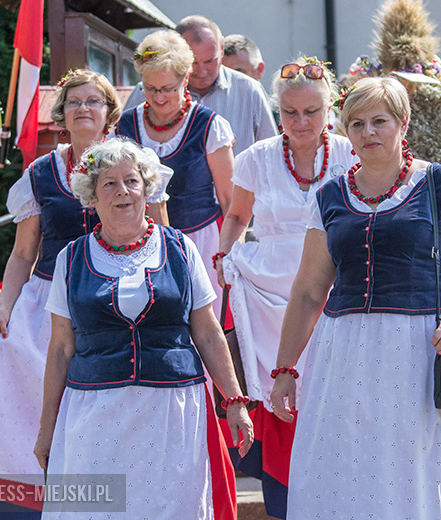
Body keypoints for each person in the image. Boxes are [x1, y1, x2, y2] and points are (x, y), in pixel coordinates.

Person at [270, 76, 441, 519]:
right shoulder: (331, 196)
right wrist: (284, 369)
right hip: (342, 354)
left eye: (380, 121)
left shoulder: (440, 184)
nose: (368, 133)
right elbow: (306, 293)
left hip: (416, 350)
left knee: (409, 468)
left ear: (403, 123)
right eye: (356, 123)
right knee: (341, 466)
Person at [33, 138, 253, 519]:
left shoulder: (180, 248)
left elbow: (207, 331)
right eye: (109, 183)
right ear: (92, 195)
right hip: (95, 409)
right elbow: (60, 350)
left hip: (170, 409)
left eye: (131, 181)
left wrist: (234, 401)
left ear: (146, 188)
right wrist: (46, 429)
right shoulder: (71, 258)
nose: (123, 192)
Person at [0, 70, 136, 517]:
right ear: (62, 116)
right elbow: (22, 254)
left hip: (116, 297)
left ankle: (108, 502)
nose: (84, 108)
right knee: (31, 392)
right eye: (74, 102)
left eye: (94, 101)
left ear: (110, 113)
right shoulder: (42, 172)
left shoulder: (133, 164)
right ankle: (29, 506)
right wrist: (5, 308)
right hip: (51, 297)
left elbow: (161, 238)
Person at [214, 57, 356, 519]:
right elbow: (237, 215)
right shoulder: (256, 158)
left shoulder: (352, 152)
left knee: (333, 387)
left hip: (332, 277)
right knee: (279, 387)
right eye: (290, 112)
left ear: (329, 109)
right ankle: (284, 494)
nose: (300, 122)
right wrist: (224, 256)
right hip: (268, 285)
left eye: (310, 112)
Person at [117, 29, 234, 315]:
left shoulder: (209, 126)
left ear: (185, 80)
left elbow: (231, 201)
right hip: (138, 246)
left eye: (168, 88)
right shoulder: (124, 127)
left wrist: (229, 255)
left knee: (203, 324)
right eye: (150, 88)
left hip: (202, 242)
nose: (159, 97)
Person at [124, 15, 276, 156]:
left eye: (210, 61)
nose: (202, 72)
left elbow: (271, 154)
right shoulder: (146, 92)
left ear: (222, 48)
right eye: (194, 63)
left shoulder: (250, 91)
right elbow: (121, 150)